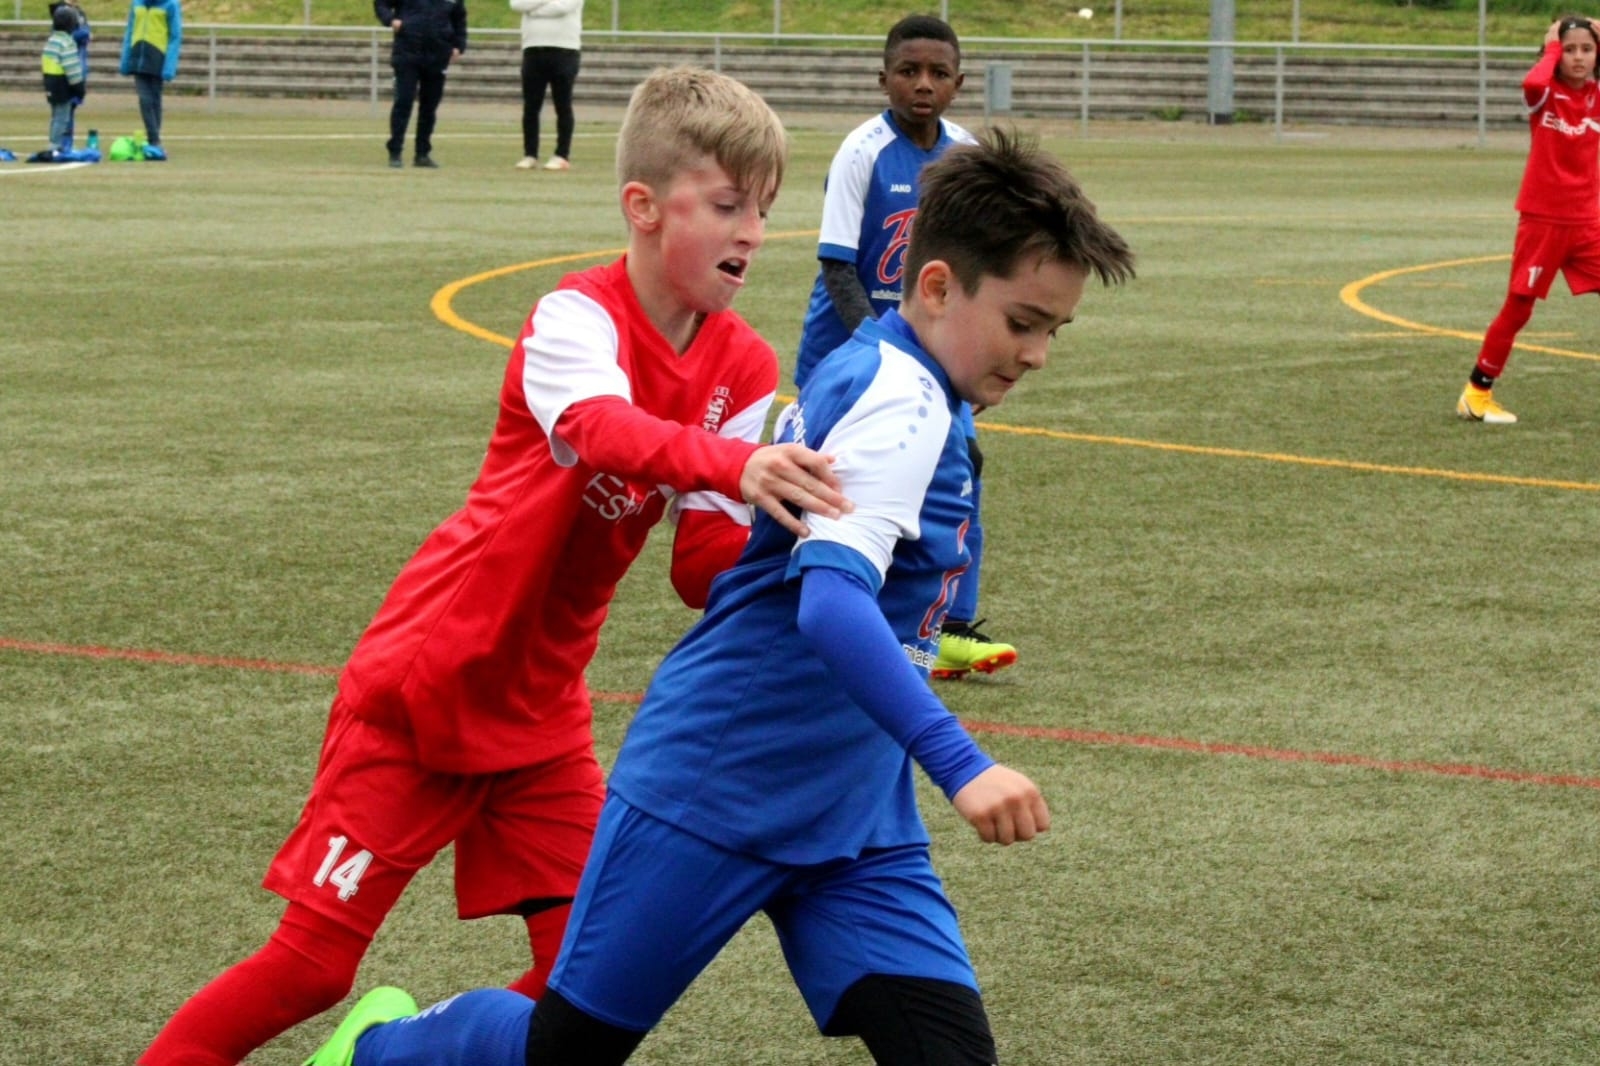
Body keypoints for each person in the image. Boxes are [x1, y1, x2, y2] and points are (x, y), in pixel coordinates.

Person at [302, 128, 1135, 1066]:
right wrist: (962, 764)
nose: (1038, 354)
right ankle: (382, 1048)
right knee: (560, 1054)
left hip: (854, 815)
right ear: (937, 287)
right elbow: (830, 603)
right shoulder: (900, 401)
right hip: (718, 784)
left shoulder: (904, 375)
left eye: (1054, 330)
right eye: (1023, 323)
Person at [137, 65, 850, 1066]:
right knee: (312, 965)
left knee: (585, 981)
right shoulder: (574, 318)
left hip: (542, 714)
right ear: (643, 207)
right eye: (729, 204)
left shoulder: (742, 365)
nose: (754, 232)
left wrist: (815, 555)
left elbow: (701, 565)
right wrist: (738, 462)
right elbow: (602, 429)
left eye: (764, 209)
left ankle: (386, 1051)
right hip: (429, 684)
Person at [794, 14, 1011, 681]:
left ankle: (947, 626)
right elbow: (838, 267)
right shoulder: (861, 151)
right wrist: (883, 350)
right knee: (826, 480)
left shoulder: (966, 154)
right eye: (909, 71)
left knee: (962, 464)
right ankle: (806, 606)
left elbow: (981, 265)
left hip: (930, 349)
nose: (923, 84)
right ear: (882, 78)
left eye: (938, 74)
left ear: (958, 84)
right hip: (848, 346)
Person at [1458, 14, 1600, 425]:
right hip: (1543, 221)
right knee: (1519, 308)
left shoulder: (1596, 94)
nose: (1578, 57)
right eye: (1569, 50)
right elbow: (1533, 82)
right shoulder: (1545, 94)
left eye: (1587, 49)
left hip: (1587, 222)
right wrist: (1553, 44)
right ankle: (1476, 394)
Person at [375, 0, 467, 168]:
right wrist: (391, 20)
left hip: (438, 54)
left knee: (429, 107)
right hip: (407, 52)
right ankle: (395, 151)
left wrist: (459, 45)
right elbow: (381, 3)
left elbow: (459, 19)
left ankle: (422, 154)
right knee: (403, 102)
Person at [510, 0, 581, 171]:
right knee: (531, 106)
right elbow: (517, 4)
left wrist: (533, 10)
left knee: (562, 105)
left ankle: (561, 155)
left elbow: (563, 7)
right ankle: (530, 154)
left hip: (565, 50)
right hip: (533, 49)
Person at [118, 0, 178, 160]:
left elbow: (175, 36)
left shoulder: (170, 5)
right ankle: (154, 139)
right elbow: (130, 30)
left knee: (155, 100)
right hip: (138, 56)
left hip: (158, 57)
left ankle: (154, 139)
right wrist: (125, 59)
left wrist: (169, 66)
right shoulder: (136, 3)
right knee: (144, 99)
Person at [41, 4, 85, 155]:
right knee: (62, 117)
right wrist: (79, 87)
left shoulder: (51, 40)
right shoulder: (67, 43)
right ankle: (55, 146)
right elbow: (72, 67)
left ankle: (54, 143)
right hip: (62, 84)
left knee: (55, 116)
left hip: (49, 82)